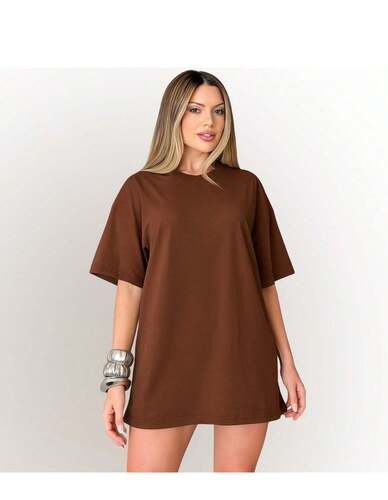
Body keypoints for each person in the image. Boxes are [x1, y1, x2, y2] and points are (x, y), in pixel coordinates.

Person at [89, 69, 306, 472]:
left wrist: (287, 364)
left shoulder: (246, 188)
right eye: (196, 109)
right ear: (173, 114)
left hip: (241, 355)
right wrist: (117, 379)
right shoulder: (141, 189)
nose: (210, 121)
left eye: (219, 111)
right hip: (165, 360)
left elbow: (264, 283)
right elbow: (130, 287)